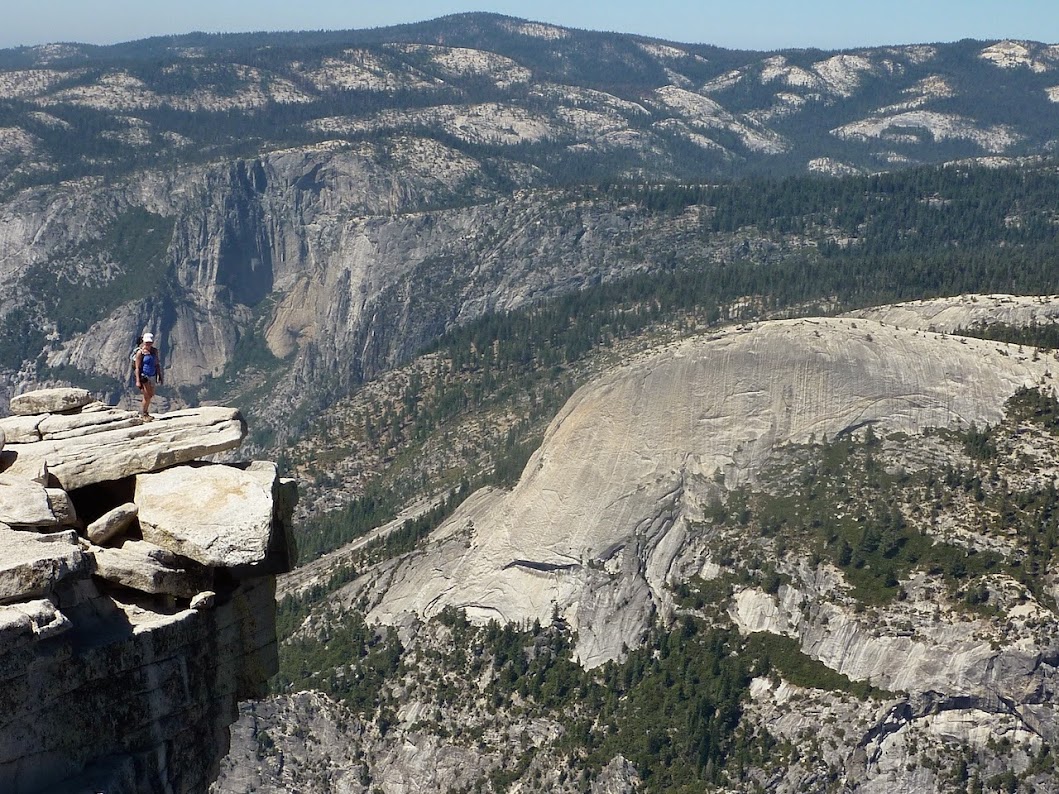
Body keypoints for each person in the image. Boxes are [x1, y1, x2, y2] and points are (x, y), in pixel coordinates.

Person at [134, 332, 164, 420]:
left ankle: (145, 413)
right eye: (147, 342)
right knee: (147, 396)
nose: (148, 344)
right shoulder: (140, 353)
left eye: (150, 342)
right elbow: (137, 368)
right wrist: (138, 381)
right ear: (143, 341)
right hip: (144, 376)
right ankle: (143, 414)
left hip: (153, 376)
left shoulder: (154, 351)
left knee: (150, 395)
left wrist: (159, 375)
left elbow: (157, 364)